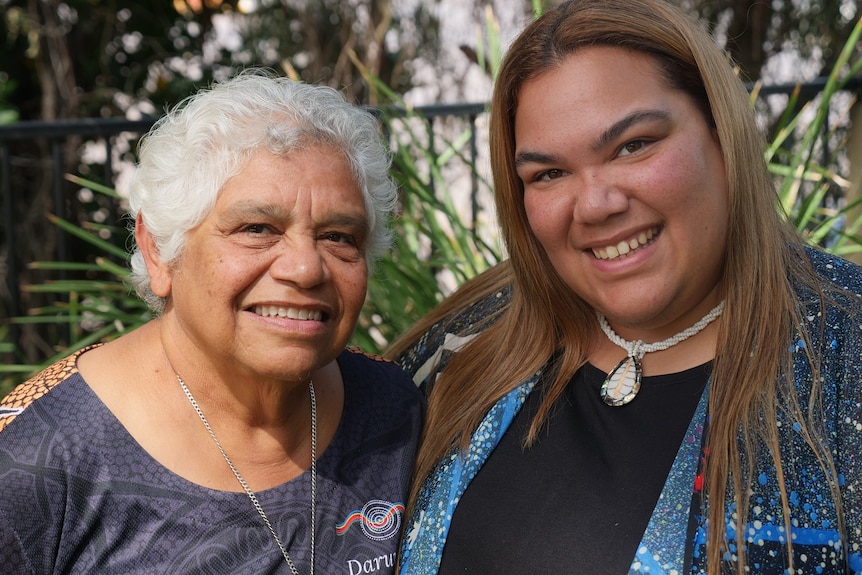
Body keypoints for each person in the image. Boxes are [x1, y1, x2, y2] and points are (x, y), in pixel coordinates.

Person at [389, 1, 862, 574]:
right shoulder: (468, 341)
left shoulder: (846, 349)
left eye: (633, 145)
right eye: (549, 174)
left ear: (721, 133)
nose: (595, 205)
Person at [0, 70, 423, 574]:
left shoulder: (395, 412)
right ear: (159, 250)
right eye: (257, 229)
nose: (306, 268)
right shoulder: (36, 460)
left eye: (338, 236)